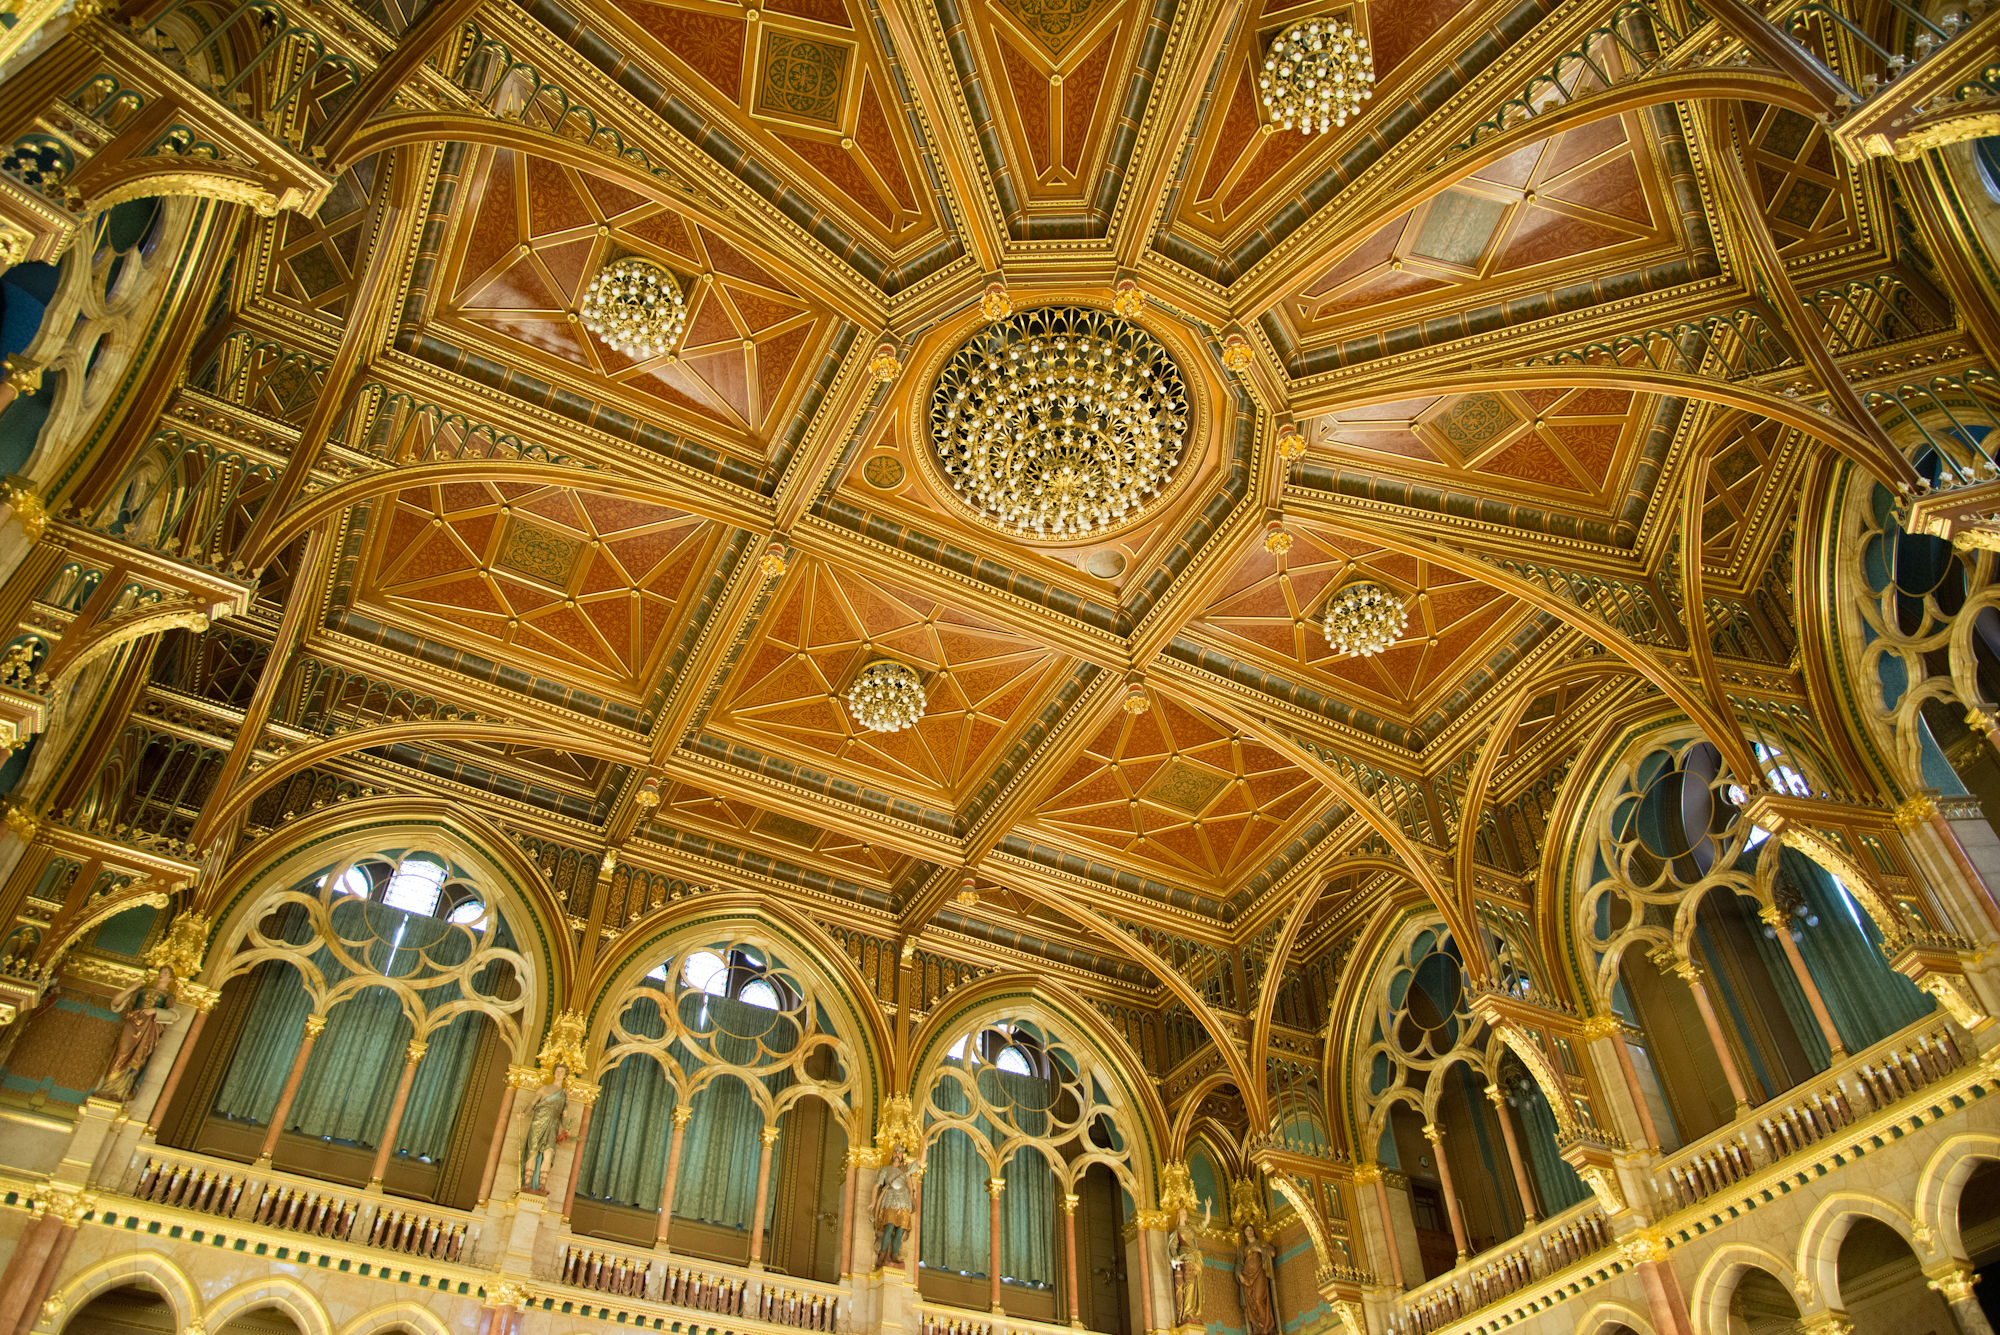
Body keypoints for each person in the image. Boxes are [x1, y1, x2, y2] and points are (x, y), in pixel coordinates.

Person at [96, 965, 180, 1101]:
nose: (161, 974)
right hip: (133, 1022)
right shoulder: (142, 990)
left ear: (170, 978)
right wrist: (132, 988)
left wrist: (154, 1011)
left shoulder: (169, 996)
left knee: (138, 1057)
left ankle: (121, 1090)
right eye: (161, 972)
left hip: (149, 1027)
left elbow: (174, 1015)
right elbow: (116, 1002)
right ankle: (108, 1087)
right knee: (122, 1052)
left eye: (165, 973)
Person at [519, 1061, 571, 1192]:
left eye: (562, 1072)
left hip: (552, 1125)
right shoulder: (544, 1089)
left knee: (548, 1153)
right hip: (538, 1122)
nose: (559, 1074)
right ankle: (527, 1182)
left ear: (565, 1075)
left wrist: (566, 1129)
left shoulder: (564, 1095)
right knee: (533, 1150)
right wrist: (524, 1113)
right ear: (554, 1073)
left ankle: (542, 1184)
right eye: (557, 1071)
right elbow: (532, 1103)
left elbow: (564, 1114)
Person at [871, 1142, 915, 1268]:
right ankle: (882, 1254)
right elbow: (877, 1186)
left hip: (904, 1202)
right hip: (890, 1199)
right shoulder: (885, 1170)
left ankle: (895, 1254)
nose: (897, 1155)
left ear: (902, 1156)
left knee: (900, 1230)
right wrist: (873, 1202)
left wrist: (925, 1146)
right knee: (889, 1227)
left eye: (900, 1152)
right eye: (895, 1152)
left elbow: (911, 1188)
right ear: (892, 1155)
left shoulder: (905, 1170)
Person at [1235, 1224, 1277, 1335]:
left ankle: (1267, 1326)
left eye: (1250, 1229)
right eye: (1247, 1230)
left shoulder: (1260, 1243)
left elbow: (1272, 1253)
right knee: (1251, 1303)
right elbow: (1239, 1264)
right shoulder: (1243, 1249)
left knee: (1258, 1299)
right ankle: (1258, 1327)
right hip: (1247, 1277)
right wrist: (1240, 1275)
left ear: (1254, 1231)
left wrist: (1259, 1249)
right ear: (1244, 1234)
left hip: (1259, 1274)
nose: (1249, 1232)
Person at [1168, 1207, 1204, 1326]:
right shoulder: (1177, 1230)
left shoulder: (1190, 1229)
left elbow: (1203, 1225)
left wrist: (1208, 1209)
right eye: (1182, 1213)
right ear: (1178, 1215)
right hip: (1186, 1257)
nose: (1184, 1215)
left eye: (1185, 1213)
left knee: (1195, 1284)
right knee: (1190, 1283)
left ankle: (1192, 1310)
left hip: (1195, 1258)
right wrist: (1175, 1256)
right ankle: (1187, 1311)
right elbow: (1173, 1246)